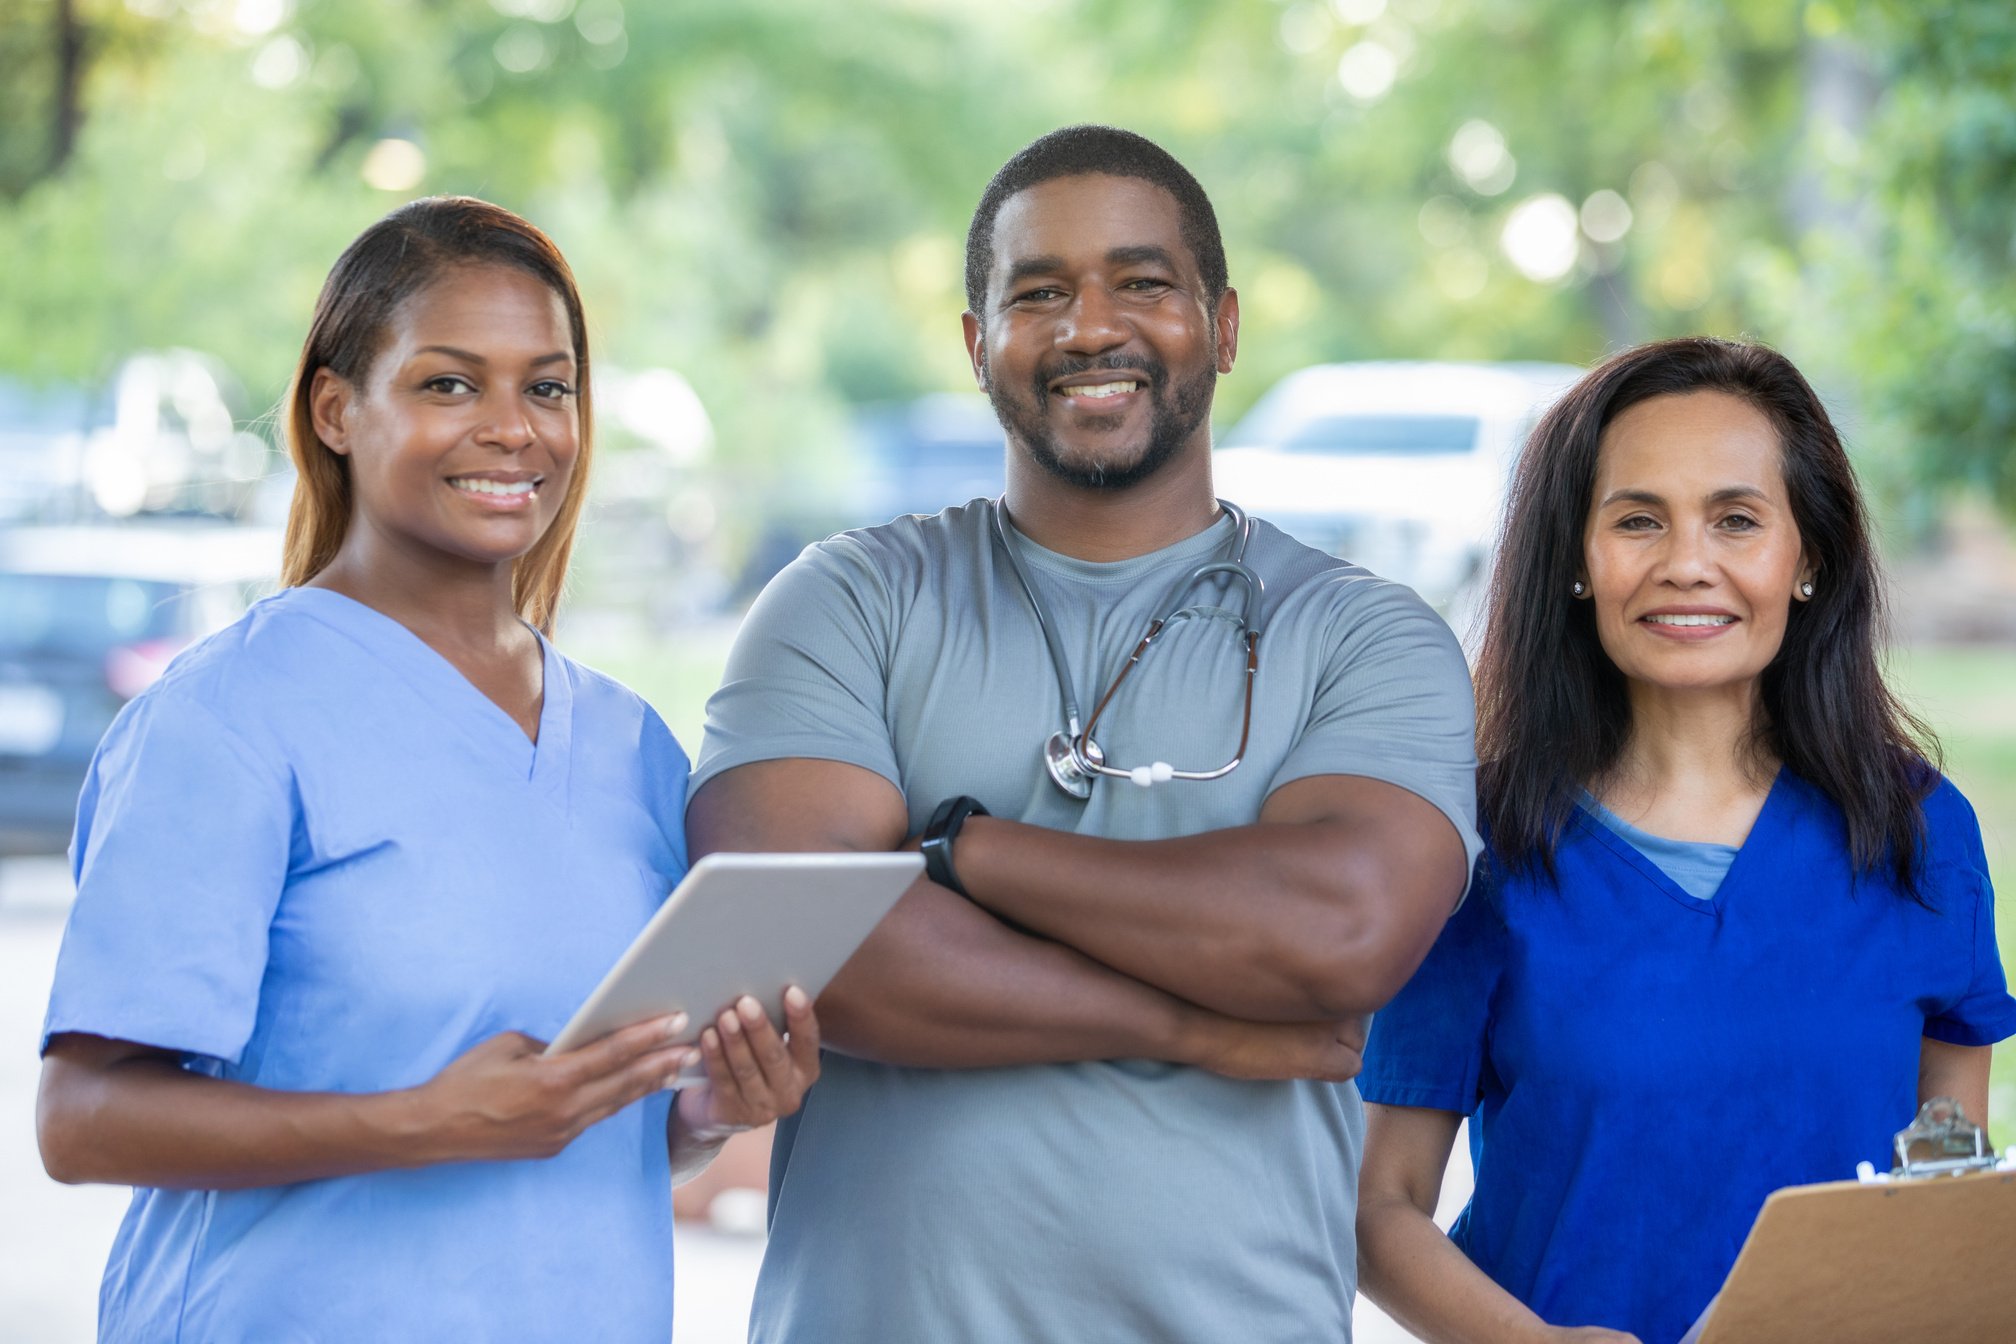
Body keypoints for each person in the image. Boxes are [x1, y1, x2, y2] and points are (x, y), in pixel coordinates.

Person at [686, 124, 1480, 1343]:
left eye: (1141, 283)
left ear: (1220, 325)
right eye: (1038, 292)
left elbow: (1337, 932)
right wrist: (1192, 1022)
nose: (1090, 327)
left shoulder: (1365, 637)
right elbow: (792, 940)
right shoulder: (846, 602)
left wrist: (960, 855)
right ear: (976, 344)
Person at [35, 197, 821, 1343]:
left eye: (547, 388)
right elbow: (83, 1121)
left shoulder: (630, 746)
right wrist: (422, 1122)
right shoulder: (226, 720)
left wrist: (711, 1110)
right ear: (337, 409)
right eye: (451, 383)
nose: (515, 428)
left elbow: (603, 1134)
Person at [1355, 337, 2016, 1344]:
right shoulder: (1475, 848)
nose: (1686, 565)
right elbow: (1380, 1207)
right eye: (1636, 521)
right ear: (1576, 560)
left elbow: (1948, 1183)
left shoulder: (1919, 832)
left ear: (1811, 559)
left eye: (1737, 520)